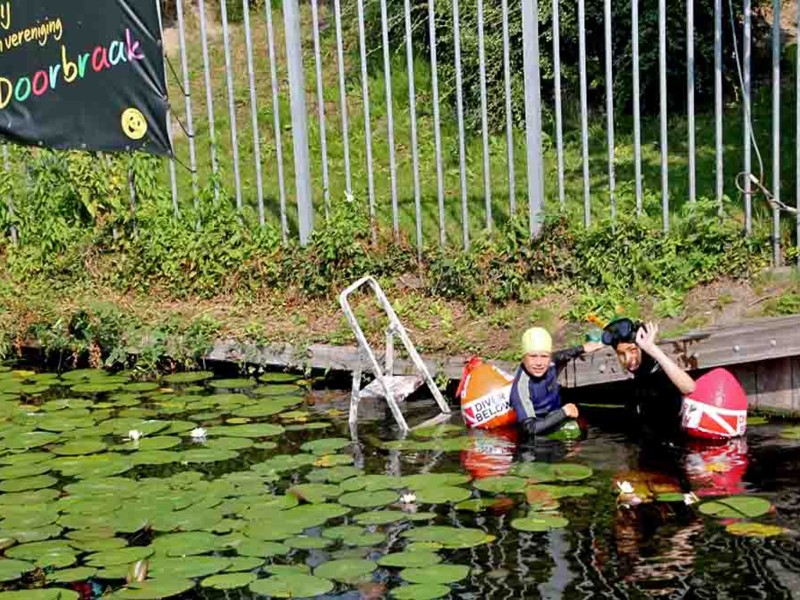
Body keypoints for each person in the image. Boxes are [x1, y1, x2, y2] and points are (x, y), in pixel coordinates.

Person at [603, 318, 696, 439]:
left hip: (676, 449)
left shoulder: (660, 373)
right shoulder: (639, 377)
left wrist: (652, 348)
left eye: (633, 350)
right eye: (621, 354)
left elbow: (689, 388)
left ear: (642, 348)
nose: (628, 359)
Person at [510, 327, 604, 437]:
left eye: (544, 356)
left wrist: (582, 348)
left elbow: (561, 355)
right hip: (539, 430)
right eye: (533, 356)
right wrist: (563, 412)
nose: (539, 363)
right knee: (573, 432)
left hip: (556, 413)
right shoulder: (521, 387)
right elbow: (530, 429)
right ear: (523, 358)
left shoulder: (550, 362)